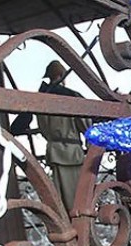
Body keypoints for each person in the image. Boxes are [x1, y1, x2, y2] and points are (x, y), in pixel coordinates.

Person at [11, 60, 90, 210]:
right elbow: (86, 125)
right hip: (72, 154)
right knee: (78, 202)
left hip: (54, 152)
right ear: (61, 76)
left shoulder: (40, 98)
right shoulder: (71, 97)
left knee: (61, 202)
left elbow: (20, 123)